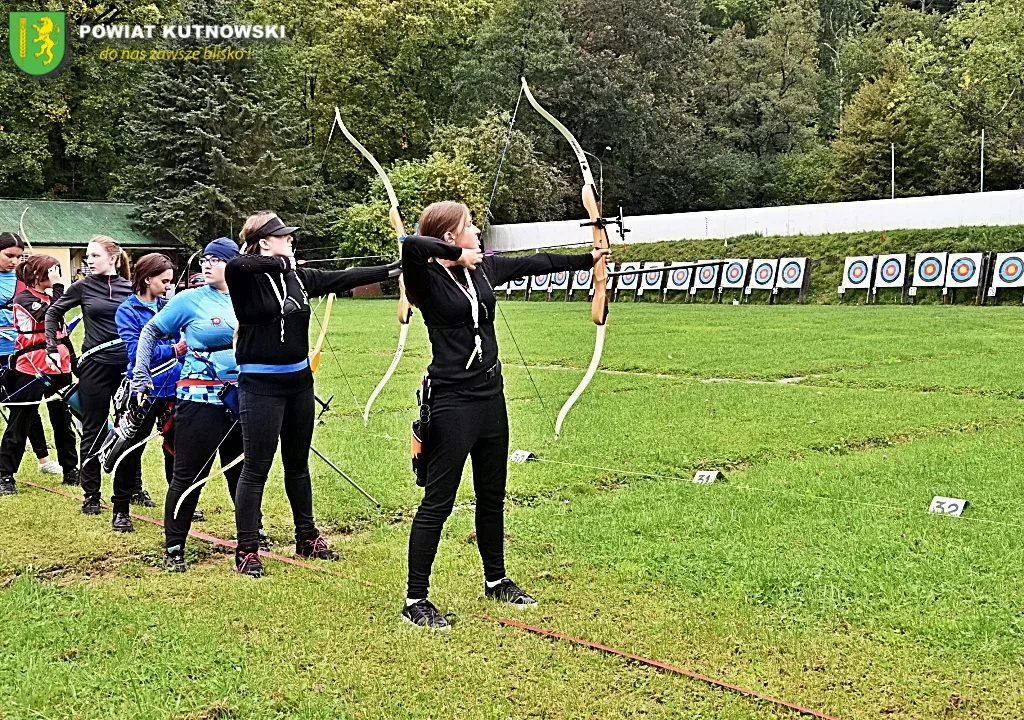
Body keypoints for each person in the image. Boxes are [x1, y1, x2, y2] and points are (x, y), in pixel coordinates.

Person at [399, 201, 607, 630]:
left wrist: (589, 260)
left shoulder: (483, 271)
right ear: (451, 239)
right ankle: (415, 598)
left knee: (492, 496)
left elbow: (535, 263)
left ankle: (496, 580)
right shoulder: (425, 279)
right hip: (452, 402)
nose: (477, 231)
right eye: (469, 227)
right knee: (438, 502)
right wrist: (455, 256)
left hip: (490, 396)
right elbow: (411, 246)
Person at [224, 212, 399, 578]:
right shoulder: (245, 277)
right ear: (264, 241)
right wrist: (277, 261)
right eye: (282, 237)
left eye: (289, 237)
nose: (291, 241)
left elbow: (345, 277)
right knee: (256, 468)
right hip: (260, 386)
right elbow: (239, 263)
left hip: (299, 382)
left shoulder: (298, 278)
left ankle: (307, 537)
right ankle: (246, 550)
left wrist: (395, 269)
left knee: (298, 464)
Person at [132, 238, 271, 572]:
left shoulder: (251, 296)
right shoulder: (190, 299)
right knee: (188, 476)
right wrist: (141, 374)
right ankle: (175, 548)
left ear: (234, 264)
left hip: (243, 397)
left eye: (216, 259)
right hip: (199, 400)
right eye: (204, 260)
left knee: (243, 473)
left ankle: (250, 544)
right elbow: (150, 332)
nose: (207, 265)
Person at [45, 235, 134, 527]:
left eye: (95, 256)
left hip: (125, 367)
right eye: (88, 256)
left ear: (113, 257)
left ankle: (133, 488)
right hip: (94, 367)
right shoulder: (82, 286)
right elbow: (54, 311)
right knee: (93, 429)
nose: (89, 260)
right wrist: (53, 345)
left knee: (128, 429)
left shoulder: (128, 287)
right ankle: (91, 494)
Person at [110, 253, 184, 529]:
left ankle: (177, 505)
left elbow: (181, 341)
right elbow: (135, 351)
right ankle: (121, 509)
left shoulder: (169, 306)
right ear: (147, 278)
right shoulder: (127, 310)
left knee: (175, 449)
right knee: (130, 448)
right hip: (143, 389)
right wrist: (173, 350)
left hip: (173, 388)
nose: (168, 286)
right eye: (164, 281)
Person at [0, 254, 78, 495]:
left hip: (59, 364)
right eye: (51, 272)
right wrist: (58, 288)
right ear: (37, 275)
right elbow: (49, 315)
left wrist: (75, 364)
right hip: (32, 365)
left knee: (63, 419)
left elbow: (61, 327)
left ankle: (71, 469)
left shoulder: (51, 296)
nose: (56, 276)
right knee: (21, 419)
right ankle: (5, 474)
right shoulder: (24, 298)